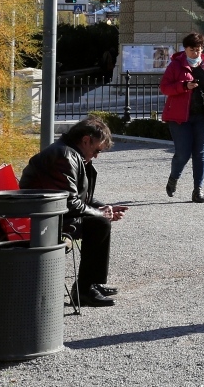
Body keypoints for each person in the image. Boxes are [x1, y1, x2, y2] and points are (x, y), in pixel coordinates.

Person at [21, 116, 126, 307]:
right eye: (96, 150)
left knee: (100, 221)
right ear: (86, 140)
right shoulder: (64, 156)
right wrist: (100, 213)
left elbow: (77, 198)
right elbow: (69, 202)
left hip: (49, 215)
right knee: (99, 223)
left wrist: (104, 208)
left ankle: (91, 284)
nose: (96, 156)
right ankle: (85, 289)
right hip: (44, 220)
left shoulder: (69, 153)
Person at [160, 32, 204, 202]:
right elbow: (165, 88)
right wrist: (184, 86)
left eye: (198, 49)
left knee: (200, 153)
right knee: (183, 153)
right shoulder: (176, 65)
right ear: (185, 49)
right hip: (180, 117)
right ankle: (174, 178)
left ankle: (198, 190)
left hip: (203, 116)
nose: (196, 53)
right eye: (192, 50)